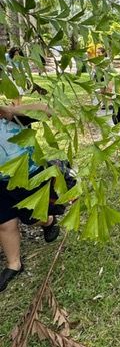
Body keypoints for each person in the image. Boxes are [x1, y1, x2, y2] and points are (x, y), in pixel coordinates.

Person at [0, 102, 61, 292]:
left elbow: (47, 110)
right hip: (1, 183)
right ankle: (14, 264)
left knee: (32, 218)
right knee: (4, 223)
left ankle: (48, 221)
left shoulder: (13, 119)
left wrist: (10, 111)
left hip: (30, 176)